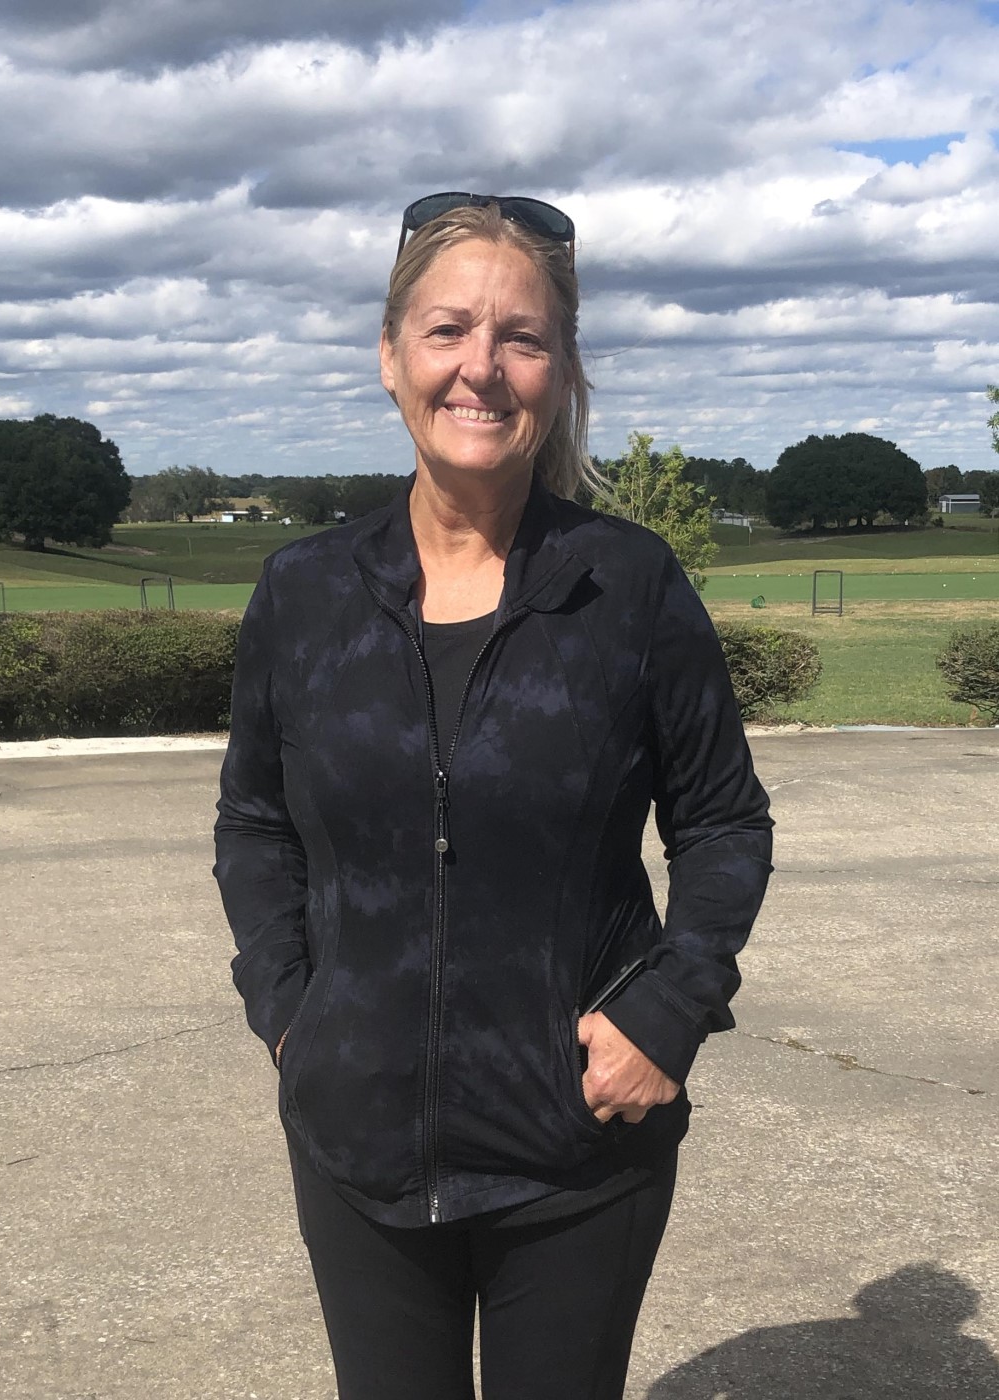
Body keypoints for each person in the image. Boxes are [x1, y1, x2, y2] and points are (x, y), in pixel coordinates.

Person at [213, 191, 773, 1400]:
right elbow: (253, 821)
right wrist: (290, 1011)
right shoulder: (304, 590)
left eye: (522, 336)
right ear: (390, 355)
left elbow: (724, 820)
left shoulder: (628, 586)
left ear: (561, 371)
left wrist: (670, 1009)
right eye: (448, 329)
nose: (483, 366)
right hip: (355, 1140)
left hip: (579, 1150)